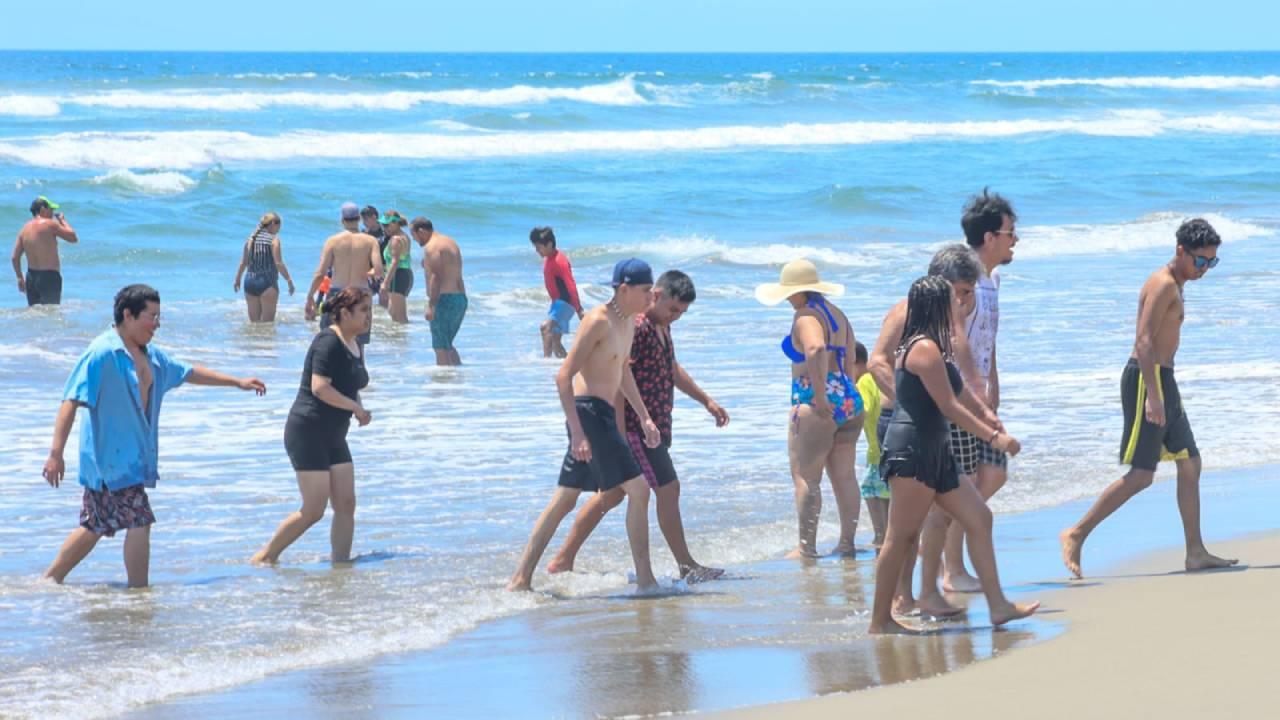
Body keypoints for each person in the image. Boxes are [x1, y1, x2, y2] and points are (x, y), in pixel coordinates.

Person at [41, 284, 266, 588]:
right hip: (108, 461)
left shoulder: (152, 356)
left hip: (132, 460)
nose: (157, 324)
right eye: (152, 316)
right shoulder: (102, 353)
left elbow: (188, 372)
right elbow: (70, 400)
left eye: (159, 317)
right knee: (139, 520)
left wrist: (236, 382)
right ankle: (138, 590)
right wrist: (56, 453)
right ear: (128, 315)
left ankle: (50, 580)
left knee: (94, 525)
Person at [1061, 219, 1237, 578]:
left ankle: (1195, 552)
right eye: (1200, 261)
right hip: (1147, 380)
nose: (1205, 270)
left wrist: (1163, 388)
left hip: (1164, 380)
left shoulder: (1178, 284)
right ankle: (1076, 533)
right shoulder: (1163, 284)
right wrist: (1153, 396)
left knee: (1190, 463)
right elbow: (1142, 342)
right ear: (1180, 252)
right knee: (1142, 475)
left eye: (1211, 263)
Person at [869, 275, 1038, 634]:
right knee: (899, 536)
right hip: (913, 450)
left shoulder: (935, 346)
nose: (960, 305)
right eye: (953, 300)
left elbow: (959, 394)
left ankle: (998, 606)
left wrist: (990, 415)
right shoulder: (923, 349)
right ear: (936, 305)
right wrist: (994, 438)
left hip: (936, 448)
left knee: (979, 517)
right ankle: (880, 620)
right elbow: (947, 406)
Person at [545, 270, 729, 582]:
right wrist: (617, 436)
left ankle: (563, 559)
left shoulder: (662, 328)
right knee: (668, 488)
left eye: (681, 314)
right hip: (633, 430)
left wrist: (706, 401)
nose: (675, 317)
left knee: (612, 494)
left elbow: (671, 369)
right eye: (672, 309)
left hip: (653, 427)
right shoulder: (639, 327)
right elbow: (618, 381)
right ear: (656, 295)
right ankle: (686, 566)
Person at [508, 258, 662, 593]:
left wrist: (645, 415)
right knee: (639, 490)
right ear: (624, 288)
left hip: (600, 414)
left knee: (565, 498)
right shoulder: (598, 321)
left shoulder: (629, 323)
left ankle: (521, 579)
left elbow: (623, 372)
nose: (651, 295)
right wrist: (577, 431)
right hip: (588, 414)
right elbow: (563, 376)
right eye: (645, 289)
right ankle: (647, 581)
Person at [867, 243, 996, 616]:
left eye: (967, 293)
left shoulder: (948, 316)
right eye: (959, 292)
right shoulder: (905, 313)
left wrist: (984, 407)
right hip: (905, 424)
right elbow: (876, 362)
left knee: (939, 516)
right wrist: (911, 400)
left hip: (937, 423)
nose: (963, 301)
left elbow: (957, 373)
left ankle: (926, 593)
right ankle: (899, 601)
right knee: (905, 527)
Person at [253, 287, 374, 565]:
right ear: (344, 314)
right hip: (308, 430)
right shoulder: (327, 341)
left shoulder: (355, 342)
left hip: (334, 434)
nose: (369, 316)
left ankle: (341, 564)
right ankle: (265, 557)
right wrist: (354, 407)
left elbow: (350, 381)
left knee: (346, 504)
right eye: (364, 310)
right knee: (314, 509)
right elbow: (320, 388)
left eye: (370, 310)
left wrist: (358, 406)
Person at [755, 259, 864, 558]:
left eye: (788, 293)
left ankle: (807, 548)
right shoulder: (838, 315)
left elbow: (815, 350)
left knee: (806, 478)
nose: (787, 299)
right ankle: (847, 542)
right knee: (845, 476)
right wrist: (845, 391)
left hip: (817, 401)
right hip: (848, 397)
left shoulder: (805, 316)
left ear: (797, 291)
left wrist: (819, 393)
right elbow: (851, 353)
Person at [943, 188, 1020, 593]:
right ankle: (950, 568)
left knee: (992, 473)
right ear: (989, 237)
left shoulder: (992, 279)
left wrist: (994, 386)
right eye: (1010, 233)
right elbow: (953, 340)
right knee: (967, 480)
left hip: (980, 393)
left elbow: (988, 340)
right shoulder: (964, 279)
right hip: (957, 396)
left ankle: (946, 558)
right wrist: (971, 392)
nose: (1015, 241)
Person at [304, 203, 383, 348]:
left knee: (332, 343)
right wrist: (367, 272)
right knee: (358, 347)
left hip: (337, 294)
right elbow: (378, 271)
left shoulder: (333, 241)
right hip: (361, 294)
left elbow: (320, 273)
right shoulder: (371, 241)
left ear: (342, 220)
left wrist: (310, 296)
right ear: (359, 218)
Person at [413, 217, 468, 365]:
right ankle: (458, 378)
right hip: (459, 298)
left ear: (421, 231)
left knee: (440, 348)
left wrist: (431, 306)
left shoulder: (432, 247)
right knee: (447, 345)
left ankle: (444, 385)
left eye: (414, 236)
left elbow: (436, 277)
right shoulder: (450, 242)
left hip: (444, 300)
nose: (415, 241)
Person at [852, 342, 889, 549]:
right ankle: (885, 534)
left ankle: (880, 536)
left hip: (877, 452)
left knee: (870, 489)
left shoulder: (864, 381)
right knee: (884, 493)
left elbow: (862, 409)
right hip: (886, 447)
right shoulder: (878, 378)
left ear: (854, 362)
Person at [12, 196, 78, 306]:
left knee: (35, 314)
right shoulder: (49, 224)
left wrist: (19, 277)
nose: (53, 213)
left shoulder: (24, 229)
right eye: (51, 209)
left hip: (31, 278)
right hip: (49, 277)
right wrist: (62, 220)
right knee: (51, 314)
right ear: (42, 209)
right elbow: (73, 237)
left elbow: (15, 257)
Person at [233, 212, 296, 322]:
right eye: (278, 227)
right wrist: (289, 280)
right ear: (273, 224)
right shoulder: (274, 239)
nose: (278, 230)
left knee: (254, 325)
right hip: (267, 283)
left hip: (250, 282)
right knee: (267, 325)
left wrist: (237, 279)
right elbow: (278, 263)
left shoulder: (250, 239)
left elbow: (243, 262)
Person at [531, 227, 584, 358]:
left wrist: (579, 309)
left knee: (545, 328)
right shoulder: (549, 258)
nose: (537, 250)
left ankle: (545, 363)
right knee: (555, 343)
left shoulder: (559, 261)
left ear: (549, 244)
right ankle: (567, 367)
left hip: (565, 303)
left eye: (539, 247)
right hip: (558, 304)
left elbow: (570, 284)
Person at [378, 211, 413, 323]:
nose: (384, 228)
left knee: (399, 317)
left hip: (397, 276)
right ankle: (399, 339)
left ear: (396, 223)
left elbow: (394, 262)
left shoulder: (395, 240)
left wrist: (385, 283)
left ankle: (403, 339)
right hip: (404, 274)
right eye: (383, 225)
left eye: (387, 225)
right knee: (394, 313)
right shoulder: (403, 236)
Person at [361, 205, 387, 307]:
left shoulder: (385, 232)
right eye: (362, 220)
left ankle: (386, 322)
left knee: (384, 300)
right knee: (365, 300)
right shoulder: (364, 233)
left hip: (384, 269)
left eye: (365, 219)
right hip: (369, 271)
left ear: (374, 217)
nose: (363, 223)